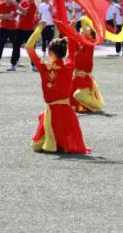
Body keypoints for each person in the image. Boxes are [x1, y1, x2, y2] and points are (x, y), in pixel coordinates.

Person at [26, 25, 89, 154]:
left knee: (37, 146)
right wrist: (70, 30)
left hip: (53, 112)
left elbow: (29, 47)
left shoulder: (44, 68)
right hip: (67, 113)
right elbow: (72, 50)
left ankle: (54, 140)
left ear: (50, 53)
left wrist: (39, 29)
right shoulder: (69, 67)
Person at [69, 21, 104, 113]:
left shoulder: (90, 43)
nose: (81, 33)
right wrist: (71, 29)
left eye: (84, 31)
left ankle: (97, 106)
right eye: (80, 32)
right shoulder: (78, 44)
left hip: (85, 79)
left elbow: (86, 37)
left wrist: (84, 21)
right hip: (76, 78)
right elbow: (72, 40)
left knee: (78, 95)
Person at [0, 0, 17, 68]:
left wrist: (1, 16)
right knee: (0, 44)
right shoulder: (0, 5)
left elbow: (11, 16)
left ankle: (17, 61)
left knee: (16, 45)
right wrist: (6, 16)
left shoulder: (14, 6)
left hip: (13, 28)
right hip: (3, 27)